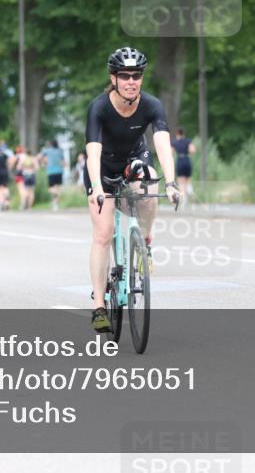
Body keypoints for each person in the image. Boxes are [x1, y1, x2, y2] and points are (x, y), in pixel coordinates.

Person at [85, 47, 179, 333]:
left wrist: (172, 183)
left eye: (136, 75)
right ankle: (99, 305)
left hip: (133, 160)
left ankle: (145, 240)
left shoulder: (152, 105)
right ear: (113, 77)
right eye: (124, 75)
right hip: (101, 167)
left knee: (150, 181)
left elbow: (162, 145)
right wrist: (98, 188)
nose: (130, 80)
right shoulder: (99, 107)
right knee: (103, 234)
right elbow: (92, 153)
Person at [39, 139, 66, 211]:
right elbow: (63, 162)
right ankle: (55, 204)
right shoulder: (60, 151)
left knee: (51, 188)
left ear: (50, 144)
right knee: (57, 187)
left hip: (51, 171)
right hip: (59, 171)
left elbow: (40, 156)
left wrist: (42, 163)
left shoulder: (47, 150)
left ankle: (57, 195)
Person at [170, 128, 196, 201]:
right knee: (188, 180)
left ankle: (184, 198)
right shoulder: (188, 141)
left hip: (180, 160)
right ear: (184, 134)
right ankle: (190, 193)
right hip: (187, 160)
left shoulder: (175, 142)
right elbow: (193, 150)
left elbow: (171, 152)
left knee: (181, 181)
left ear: (177, 134)